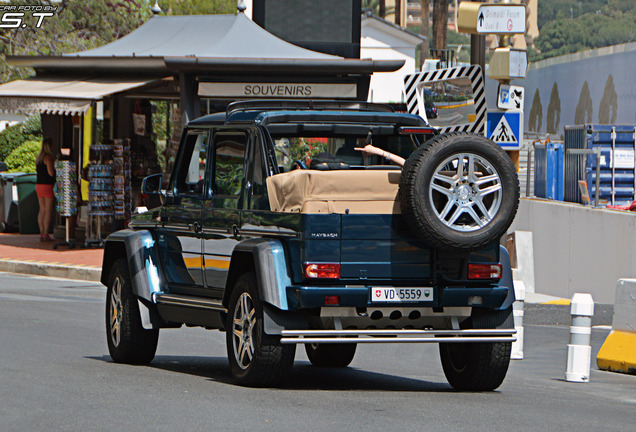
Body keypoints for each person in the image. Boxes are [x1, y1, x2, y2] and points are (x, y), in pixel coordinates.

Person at [35, 138, 56, 241]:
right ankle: (46, 233)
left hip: (39, 186)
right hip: (48, 186)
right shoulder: (49, 158)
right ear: (49, 146)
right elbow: (51, 173)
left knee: (42, 209)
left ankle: (41, 232)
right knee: (48, 210)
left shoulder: (38, 158)